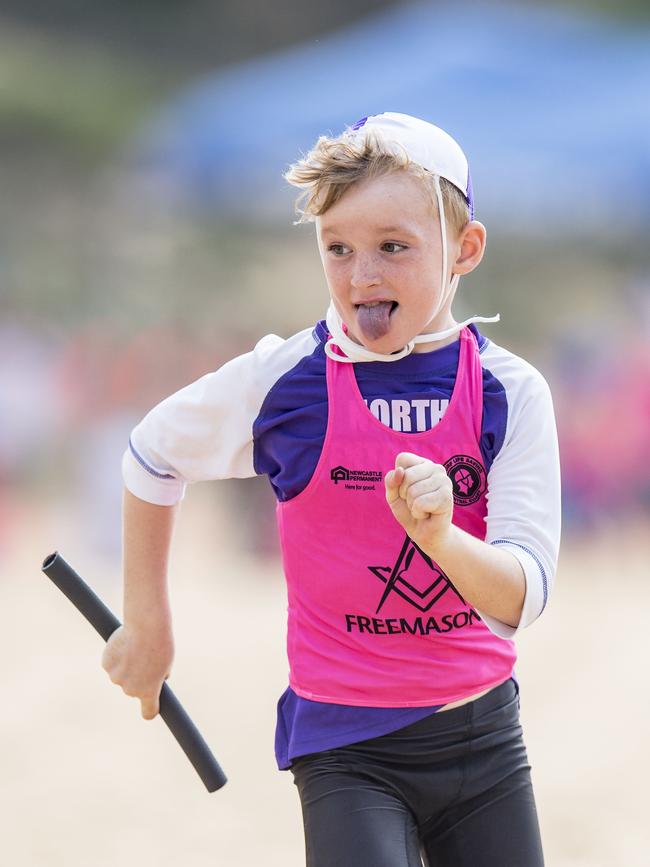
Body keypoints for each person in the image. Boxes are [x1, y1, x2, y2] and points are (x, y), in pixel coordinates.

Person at [102, 112, 561, 866]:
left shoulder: (509, 391)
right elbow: (151, 456)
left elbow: (523, 596)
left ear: (464, 249)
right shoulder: (286, 382)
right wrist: (148, 625)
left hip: (483, 741)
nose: (362, 275)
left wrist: (442, 538)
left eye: (394, 247)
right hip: (347, 747)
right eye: (338, 248)